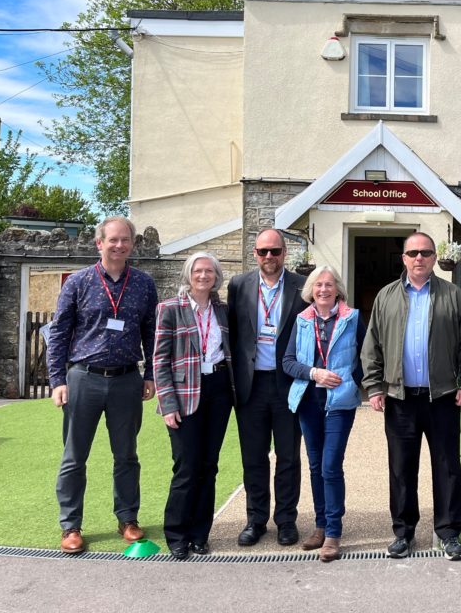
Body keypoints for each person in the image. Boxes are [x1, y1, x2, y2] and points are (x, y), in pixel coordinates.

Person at [361, 231, 461, 561]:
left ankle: (448, 532)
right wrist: (373, 386)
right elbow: (372, 346)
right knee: (401, 469)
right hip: (400, 400)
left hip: (441, 397)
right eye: (413, 252)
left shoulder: (452, 295)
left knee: (446, 467)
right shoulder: (386, 297)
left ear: (433, 258)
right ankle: (403, 533)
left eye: (426, 252)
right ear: (403, 258)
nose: (419, 258)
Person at [46, 216, 159, 554]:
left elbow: (152, 334)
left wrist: (151, 374)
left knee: (126, 455)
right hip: (84, 378)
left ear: (132, 245)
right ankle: (71, 526)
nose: (119, 245)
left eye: (125, 240)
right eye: (113, 240)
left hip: (127, 380)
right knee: (74, 457)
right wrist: (57, 380)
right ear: (100, 243)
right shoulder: (78, 282)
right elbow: (59, 334)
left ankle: (127, 519)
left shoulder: (143, 284)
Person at [152, 252, 235, 560]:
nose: (203, 276)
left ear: (216, 277)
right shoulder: (169, 309)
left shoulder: (223, 310)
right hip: (184, 394)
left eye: (209, 271)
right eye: (198, 271)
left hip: (218, 390)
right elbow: (159, 360)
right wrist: (167, 403)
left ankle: (200, 534)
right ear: (188, 275)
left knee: (208, 467)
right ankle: (176, 533)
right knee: (186, 467)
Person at [227, 228, 307, 547]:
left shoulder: (303, 287)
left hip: (288, 384)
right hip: (251, 385)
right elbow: (231, 332)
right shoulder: (238, 286)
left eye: (275, 251)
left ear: (285, 253)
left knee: (288, 457)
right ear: (255, 255)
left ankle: (286, 520)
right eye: (263, 252)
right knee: (254, 457)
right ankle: (255, 519)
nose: (269, 257)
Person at [282, 266, 365, 561]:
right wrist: (315, 373)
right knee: (316, 465)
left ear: (337, 289)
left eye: (329, 285)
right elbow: (288, 362)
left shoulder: (353, 318)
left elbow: (365, 357)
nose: (324, 290)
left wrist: (352, 380)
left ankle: (333, 532)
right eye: (318, 285)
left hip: (339, 402)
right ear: (311, 290)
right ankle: (319, 525)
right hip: (308, 400)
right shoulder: (302, 320)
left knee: (331, 466)